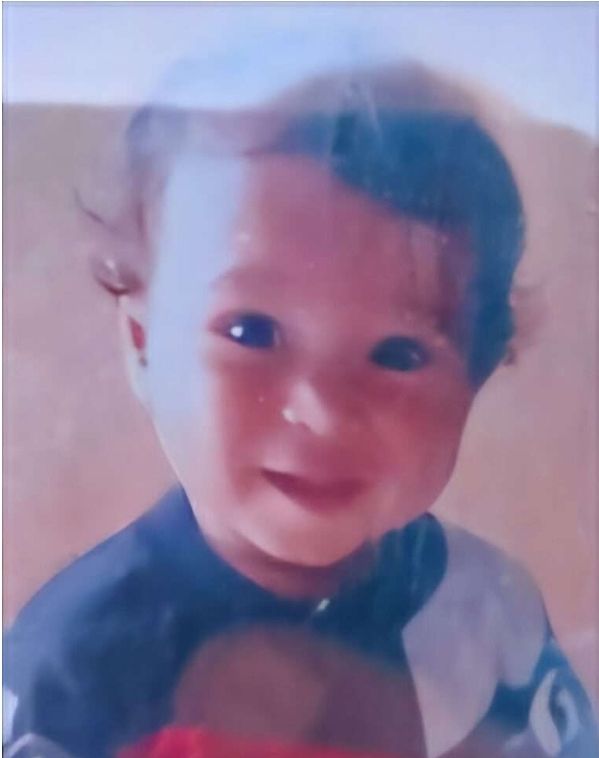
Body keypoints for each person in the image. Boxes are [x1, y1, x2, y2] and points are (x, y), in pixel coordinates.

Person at [4, 59, 598, 758]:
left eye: (398, 353)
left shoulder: (491, 616)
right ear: (143, 346)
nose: (323, 412)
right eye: (250, 332)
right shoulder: (76, 677)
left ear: (477, 371)